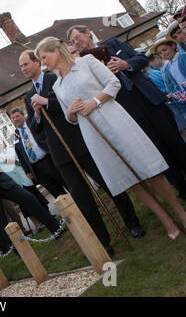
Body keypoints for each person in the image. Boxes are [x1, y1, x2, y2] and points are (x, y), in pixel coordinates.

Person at [35, 37, 186, 240]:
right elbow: (69, 119)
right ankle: (166, 221)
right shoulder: (57, 86)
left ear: (57, 51)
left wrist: (94, 102)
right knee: (132, 180)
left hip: (115, 119)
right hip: (94, 135)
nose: (43, 63)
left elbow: (113, 83)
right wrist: (71, 111)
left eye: (44, 57)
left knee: (149, 170)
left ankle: (181, 213)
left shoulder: (86, 62)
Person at [19, 49, 145, 247]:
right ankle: (103, 241)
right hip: (59, 153)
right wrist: (36, 112)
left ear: (36, 62)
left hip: (81, 140)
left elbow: (69, 104)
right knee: (81, 197)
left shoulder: (56, 78)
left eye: (26, 64)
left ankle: (132, 223)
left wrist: (47, 102)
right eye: (21, 67)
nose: (23, 69)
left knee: (108, 182)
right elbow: (35, 128)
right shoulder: (28, 96)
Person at [68, 24, 186, 201]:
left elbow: (141, 59)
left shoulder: (114, 44)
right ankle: (182, 189)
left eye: (77, 37)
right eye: (72, 42)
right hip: (127, 109)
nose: (76, 43)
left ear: (87, 33)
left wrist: (126, 64)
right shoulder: (84, 67)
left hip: (149, 99)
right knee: (157, 150)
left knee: (175, 141)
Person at [0, 138, 45, 233]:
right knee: (24, 206)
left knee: (37, 198)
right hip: (14, 184)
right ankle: (37, 224)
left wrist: (13, 161)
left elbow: (22, 161)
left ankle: (46, 216)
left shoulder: (11, 150)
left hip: (24, 179)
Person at [10, 107, 67, 200]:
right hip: (37, 169)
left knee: (67, 183)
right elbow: (20, 156)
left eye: (17, 116)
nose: (15, 119)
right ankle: (72, 211)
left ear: (23, 116)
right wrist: (27, 171)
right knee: (57, 194)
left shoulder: (33, 124)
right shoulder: (15, 136)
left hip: (49, 160)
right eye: (13, 118)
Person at [151, 37, 186, 141]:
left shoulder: (183, 58)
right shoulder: (168, 67)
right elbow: (173, 86)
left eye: (165, 50)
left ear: (173, 46)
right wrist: (173, 94)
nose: (164, 54)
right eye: (160, 53)